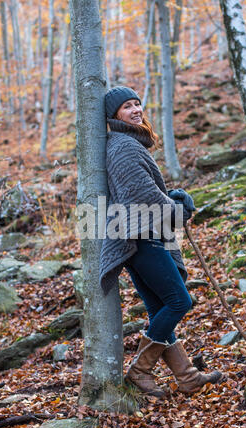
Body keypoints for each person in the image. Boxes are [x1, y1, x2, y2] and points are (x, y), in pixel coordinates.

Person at [99, 86, 222, 398]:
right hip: (142, 238)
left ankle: (188, 377)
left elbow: (144, 191)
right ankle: (139, 371)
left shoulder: (126, 142)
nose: (136, 109)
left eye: (137, 103)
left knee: (159, 311)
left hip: (141, 237)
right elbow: (140, 195)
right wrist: (175, 210)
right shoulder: (123, 145)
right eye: (127, 106)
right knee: (179, 301)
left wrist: (175, 198)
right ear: (115, 115)